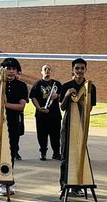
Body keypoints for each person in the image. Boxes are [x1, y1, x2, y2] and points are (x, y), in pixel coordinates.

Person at [58, 58, 97, 194]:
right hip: (67, 123)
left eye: (82, 68)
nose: (79, 71)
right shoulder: (66, 86)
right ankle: (63, 185)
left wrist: (80, 100)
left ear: (86, 70)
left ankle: (77, 185)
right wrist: (68, 95)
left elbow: (89, 109)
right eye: (77, 68)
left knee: (79, 154)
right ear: (72, 70)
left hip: (82, 124)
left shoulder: (90, 87)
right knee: (65, 156)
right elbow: (62, 107)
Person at [28, 65, 62, 161]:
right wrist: (39, 108)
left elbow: (64, 96)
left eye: (49, 69)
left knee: (55, 135)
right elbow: (33, 97)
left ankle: (56, 153)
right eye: (45, 69)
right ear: (41, 72)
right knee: (42, 135)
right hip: (41, 115)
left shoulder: (57, 84)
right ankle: (43, 152)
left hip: (54, 115)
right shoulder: (37, 84)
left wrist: (57, 95)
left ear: (51, 72)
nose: (47, 71)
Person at [1, 57, 28, 165]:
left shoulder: (21, 85)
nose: (11, 71)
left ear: (17, 71)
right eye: (8, 68)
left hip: (13, 121)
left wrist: (4, 105)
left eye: (13, 69)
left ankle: (7, 177)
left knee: (11, 150)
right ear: (3, 70)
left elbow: (21, 106)